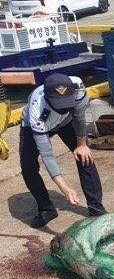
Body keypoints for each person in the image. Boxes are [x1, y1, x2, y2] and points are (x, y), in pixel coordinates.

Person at [19, 73, 106, 229]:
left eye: (67, 103)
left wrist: (81, 145)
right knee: (28, 167)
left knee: (84, 155)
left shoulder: (78, 88)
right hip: (37, 126)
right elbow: (47, 155)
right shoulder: (36, 110)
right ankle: (46, 208)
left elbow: (79, 118)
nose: (63, 107)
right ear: (47, 99)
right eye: (59, 105)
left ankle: (96, 206)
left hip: (65, 122)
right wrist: (64, 188)